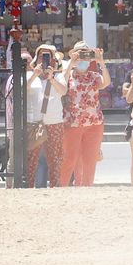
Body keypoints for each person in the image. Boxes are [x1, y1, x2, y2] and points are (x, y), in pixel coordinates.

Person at [60, 41, 110, 187]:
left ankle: (87, 186)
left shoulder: (94, 76)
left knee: (90, 159)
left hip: (94, 123)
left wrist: (101, 62)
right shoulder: (68, 75)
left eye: (85, 55)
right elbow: (61, 85)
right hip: (73, 122)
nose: (83, 59)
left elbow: (106, 82)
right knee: (69, 158)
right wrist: (71, 63)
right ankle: (62, 187)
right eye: (79, 55)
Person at [25, 43, 67, 188]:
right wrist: (35, 74)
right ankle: (29, 186)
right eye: (41, 56)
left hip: (54, 121)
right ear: (36, 59)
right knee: (31, 158)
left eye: (47, 56)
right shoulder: (30, 75)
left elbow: (63, 91)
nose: (44, 60)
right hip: (34, 122)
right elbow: (22, 90)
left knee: (55, 157)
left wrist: (51, 78)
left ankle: (55, 186)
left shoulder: (58, 76)